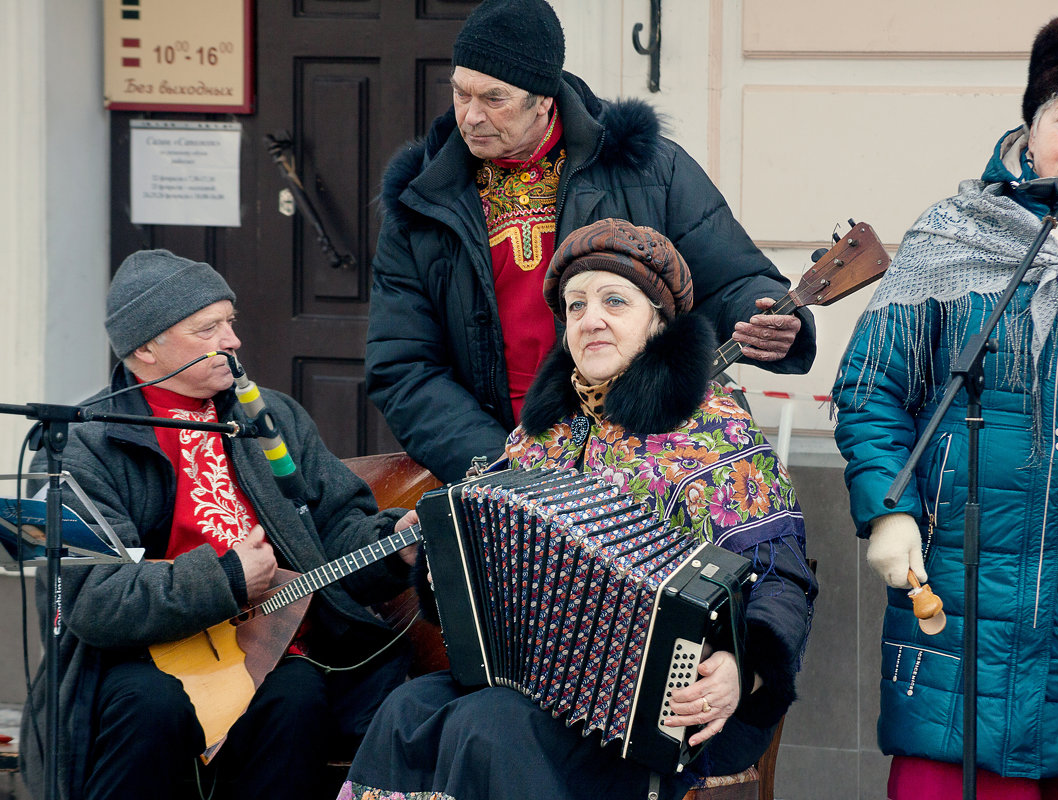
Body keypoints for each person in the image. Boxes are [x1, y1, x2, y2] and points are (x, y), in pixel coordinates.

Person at [832, 10, 1058, 799]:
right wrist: (887, 507)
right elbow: (871, 390)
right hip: (955, 600)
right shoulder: (950, 234)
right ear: (1029, 129)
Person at [341, 218, 817, 800]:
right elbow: (480, 587)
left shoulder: (716, 432)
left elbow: (784, 582)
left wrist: (745, 670)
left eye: (614, 301)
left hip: (663, 705)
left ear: (658, 321)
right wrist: (438, 553)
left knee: (489, 725)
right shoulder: (537, 436)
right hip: (532, 682)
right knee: (406, 710)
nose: (590, 319)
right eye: (575, 306)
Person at [20, 250, 421, 800]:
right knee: (154, 705)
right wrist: (228, 579)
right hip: (137, 659)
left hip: (266, 648)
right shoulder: (85, 442)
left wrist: (391, 548)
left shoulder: (266, 416)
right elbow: (87, 597)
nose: (231, 340)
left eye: (229, 322)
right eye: (207, 328)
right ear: (145, 346)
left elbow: (334, 525)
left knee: (299, 694)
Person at [365, 0, 816, 484]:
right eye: (461, 94)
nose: (470, 116)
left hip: (644, 452)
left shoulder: (647, 168)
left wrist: (768, 315)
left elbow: (733, 278)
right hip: (494, 459)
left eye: (493, 98)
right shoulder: (422, 200)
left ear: (543, 99)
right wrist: (496, 465)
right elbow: (403, 364)